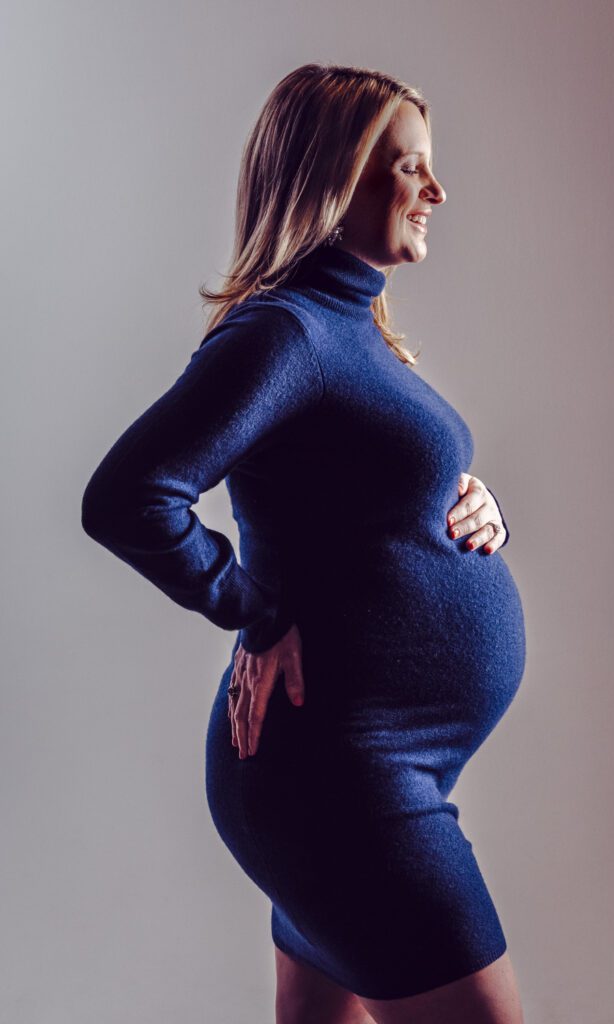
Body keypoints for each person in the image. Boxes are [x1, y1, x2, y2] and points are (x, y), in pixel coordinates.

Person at [81, 62, 527, 1024]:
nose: (436, 192)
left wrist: (469, 504)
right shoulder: (285, 333)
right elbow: (127, 497)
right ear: (333, 178)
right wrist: (253, 609)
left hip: (369, 770)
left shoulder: (349, 324)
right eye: (407, 167)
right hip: (343, 778)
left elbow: (359, 494)